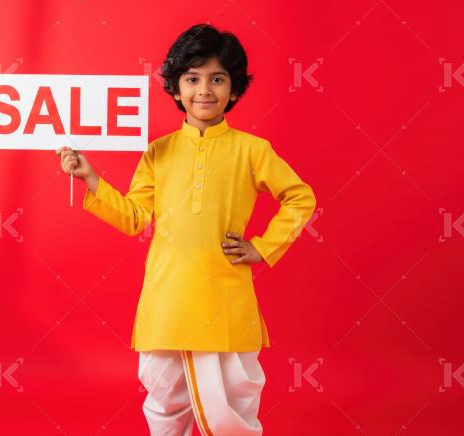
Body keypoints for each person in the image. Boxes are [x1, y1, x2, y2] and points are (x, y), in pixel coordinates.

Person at [56, 23, 316, 436]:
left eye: (217, 79)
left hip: (226, 302)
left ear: (234, 89)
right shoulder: (158, 152)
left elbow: (301, 197)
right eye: (192, 79)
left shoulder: (252, 151)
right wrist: (91, 179)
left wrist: (264, 247)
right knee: (163, 403)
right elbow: (135, 217)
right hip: (167, 302)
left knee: (234, 403)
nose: (204, 90)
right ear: (176, 89)